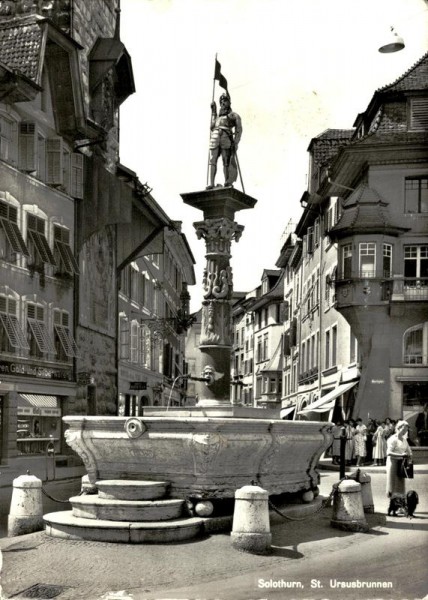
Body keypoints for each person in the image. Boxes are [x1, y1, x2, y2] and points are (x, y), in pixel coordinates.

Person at [207, 93, 242, 189]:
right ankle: (211, 183)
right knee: (212, 160)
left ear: (229, 102)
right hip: (215, 136)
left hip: (226, 136)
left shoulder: (232, 115)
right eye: (221, 101)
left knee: (226, 160)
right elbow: (212, 126)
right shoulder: (218, 117)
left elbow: (239, 128)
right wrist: (213, 111)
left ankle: (227, 182)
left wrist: (236, 142)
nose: (222, 102)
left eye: (225, 100)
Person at [386, 419, 413, 498]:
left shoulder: (404, 440)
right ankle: (393, 501)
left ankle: (400, 500)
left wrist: (410, 455)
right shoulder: (392, 439)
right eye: (404, 429)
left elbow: (409, 450)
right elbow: (388, 453)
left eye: (406, 429)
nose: (405, 431)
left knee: (400, 482)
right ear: (398, 428)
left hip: (401, 463)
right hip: (393, 463)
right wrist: (401, 455)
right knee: (393, 482)